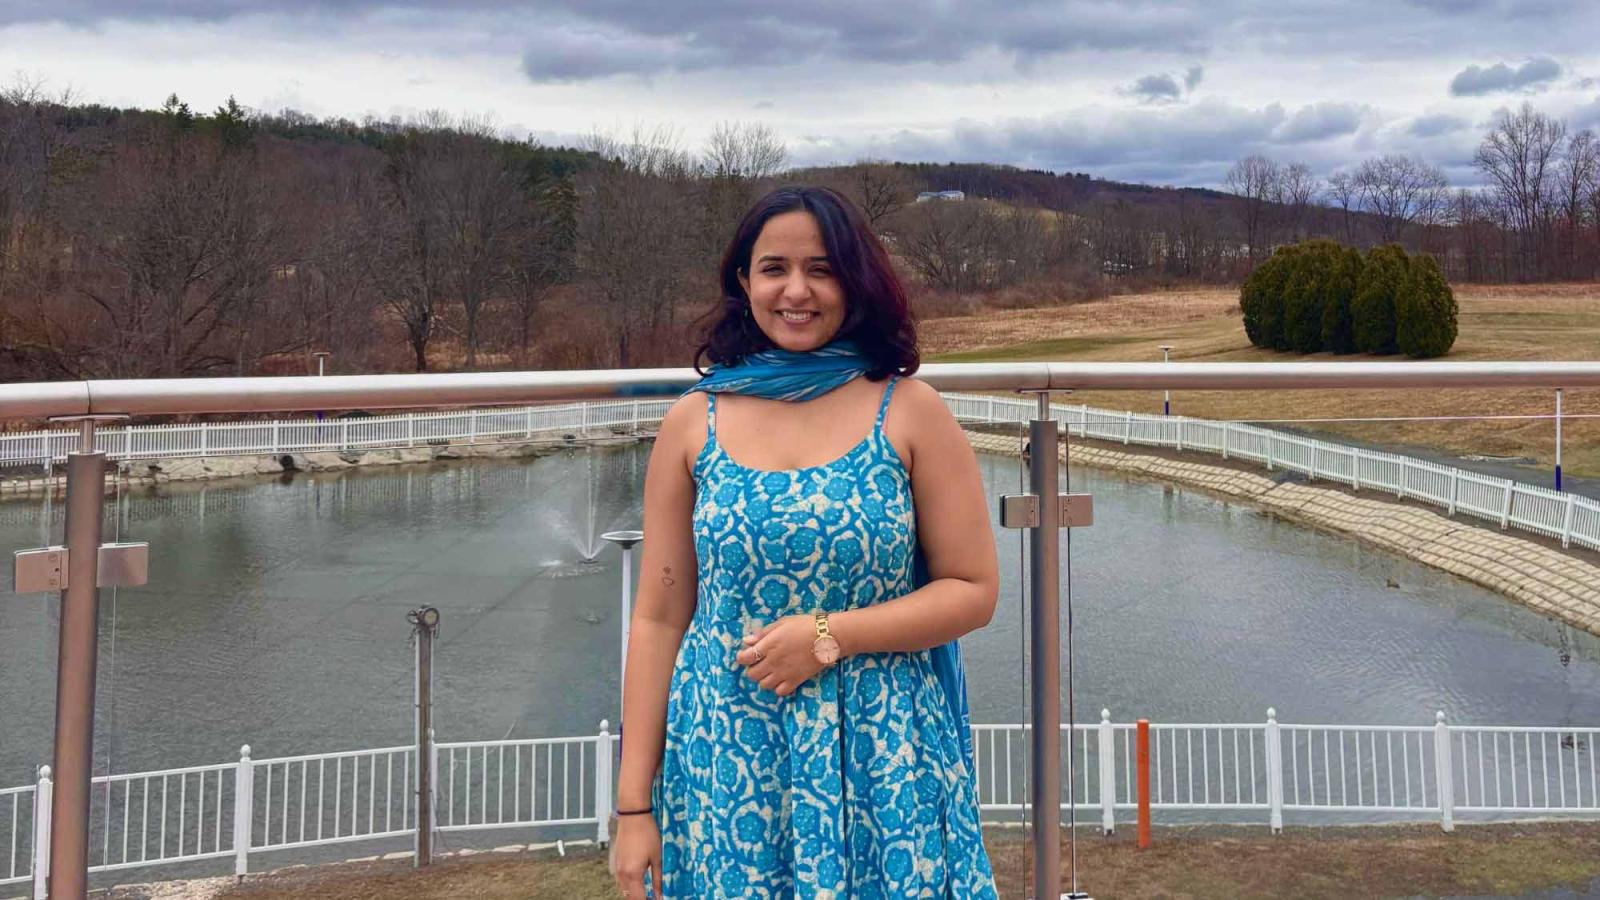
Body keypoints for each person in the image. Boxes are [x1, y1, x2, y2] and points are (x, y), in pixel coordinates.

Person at [610, 186, 999, 898]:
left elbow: (973, 590)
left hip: (882, 750)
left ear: (856, 280)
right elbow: (660, 617)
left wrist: (830, 635)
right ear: (743, 281)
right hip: (730, 755)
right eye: (774, 268)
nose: (797, 290)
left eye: (822, 269)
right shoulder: (695, 424)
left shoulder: (908, 410)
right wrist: (633, 806)